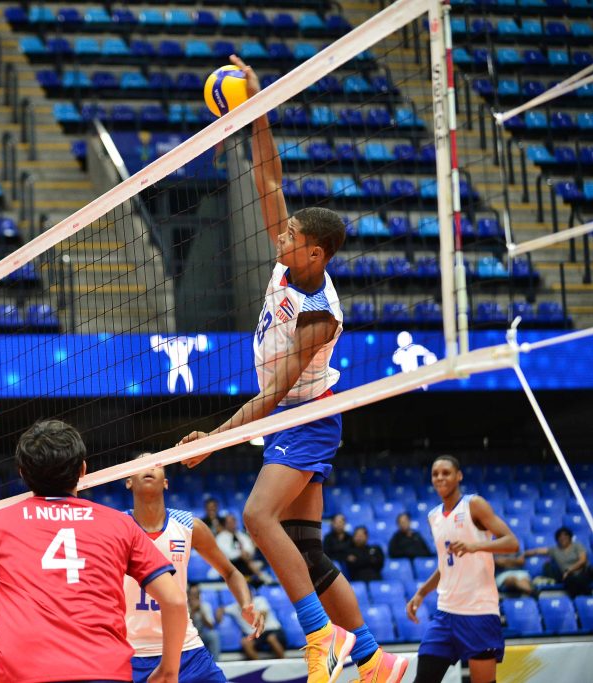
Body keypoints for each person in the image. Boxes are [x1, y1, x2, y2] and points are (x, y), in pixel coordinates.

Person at [178, 54, 407, 683]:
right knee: (308, 549)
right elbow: (269, 182)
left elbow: (277, 392)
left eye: (290, 236)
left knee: (257, 518)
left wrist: (213, 439)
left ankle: (325, 642)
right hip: (286, 414)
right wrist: (256, 110)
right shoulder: (287, 265)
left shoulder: (320, 313)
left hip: (305, 415)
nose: (278, 238)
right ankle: (373, 660)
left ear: (317, 251)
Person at [0, 419, 187, 683]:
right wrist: (169, 670)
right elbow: (175, 601)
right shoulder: (120, 524)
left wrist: (32, 605)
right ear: (83, 470)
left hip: (24, 675)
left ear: (21, 472)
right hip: (104, 674)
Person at [124, 460, 265, 682]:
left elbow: (230, 572)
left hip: (186, 649)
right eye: (142, 463)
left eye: (155, 464)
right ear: (128, 481)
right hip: (132, 652)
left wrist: (246, 604)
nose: (149, 467)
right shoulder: (116, 526)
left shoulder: (189, 526)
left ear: (166, 483)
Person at [405, 456, 517, 683]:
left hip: (478, 612)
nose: (440, 478)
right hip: (445, 612)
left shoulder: (474, 504)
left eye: (446, 472)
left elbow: (511, 543)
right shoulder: (433, 516)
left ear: (459, 476)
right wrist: (421, 592)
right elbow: (445, 565)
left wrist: (475, 546)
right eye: (435, 474)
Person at [525, 526, 593, 598]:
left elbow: (583, 560)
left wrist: (569, 570)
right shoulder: (554, 550)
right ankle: (585, 600)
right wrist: (522, 554)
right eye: (560, 536)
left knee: (578, 580)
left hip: (581, 572)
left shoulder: (577, 546)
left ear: (570, 537)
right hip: (568, 576)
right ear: (557, 539)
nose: (563, 538)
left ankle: (583, 600)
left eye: (565, 535)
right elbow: (537, 551)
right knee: (571, 581)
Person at [223, 595, 287, 661]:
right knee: (245, 642)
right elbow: (222, 609)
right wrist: (220, 612)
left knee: (271, 638)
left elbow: (263, 616)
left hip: (272, 630)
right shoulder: (234, 607)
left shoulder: (259, 600)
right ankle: (260, 666)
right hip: (256, 634)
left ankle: (284, 662)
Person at [215, 513, 271, 586]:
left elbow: (250, 549)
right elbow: (227, 554)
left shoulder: (242, 535)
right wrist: (240, 554)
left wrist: (246, 553)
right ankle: (261, 575)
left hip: (245, 563)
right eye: (230, 522)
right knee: (249, 563)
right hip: (231, 565)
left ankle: (259, 576)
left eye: (234, 521)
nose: (233, 524)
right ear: (225, 524)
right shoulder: (220, 538)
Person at [187, 585, 222, 660]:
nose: (195, 597)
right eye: (193, 594)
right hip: (188, 636)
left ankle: (216, 662)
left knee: (214, 635)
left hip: (202, 634)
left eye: (197, 594)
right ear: (188, 595)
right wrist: (193, 611)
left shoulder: (205, 606)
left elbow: (211, 626)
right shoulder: (185, 606)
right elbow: (185, 627)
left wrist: (201, 612)